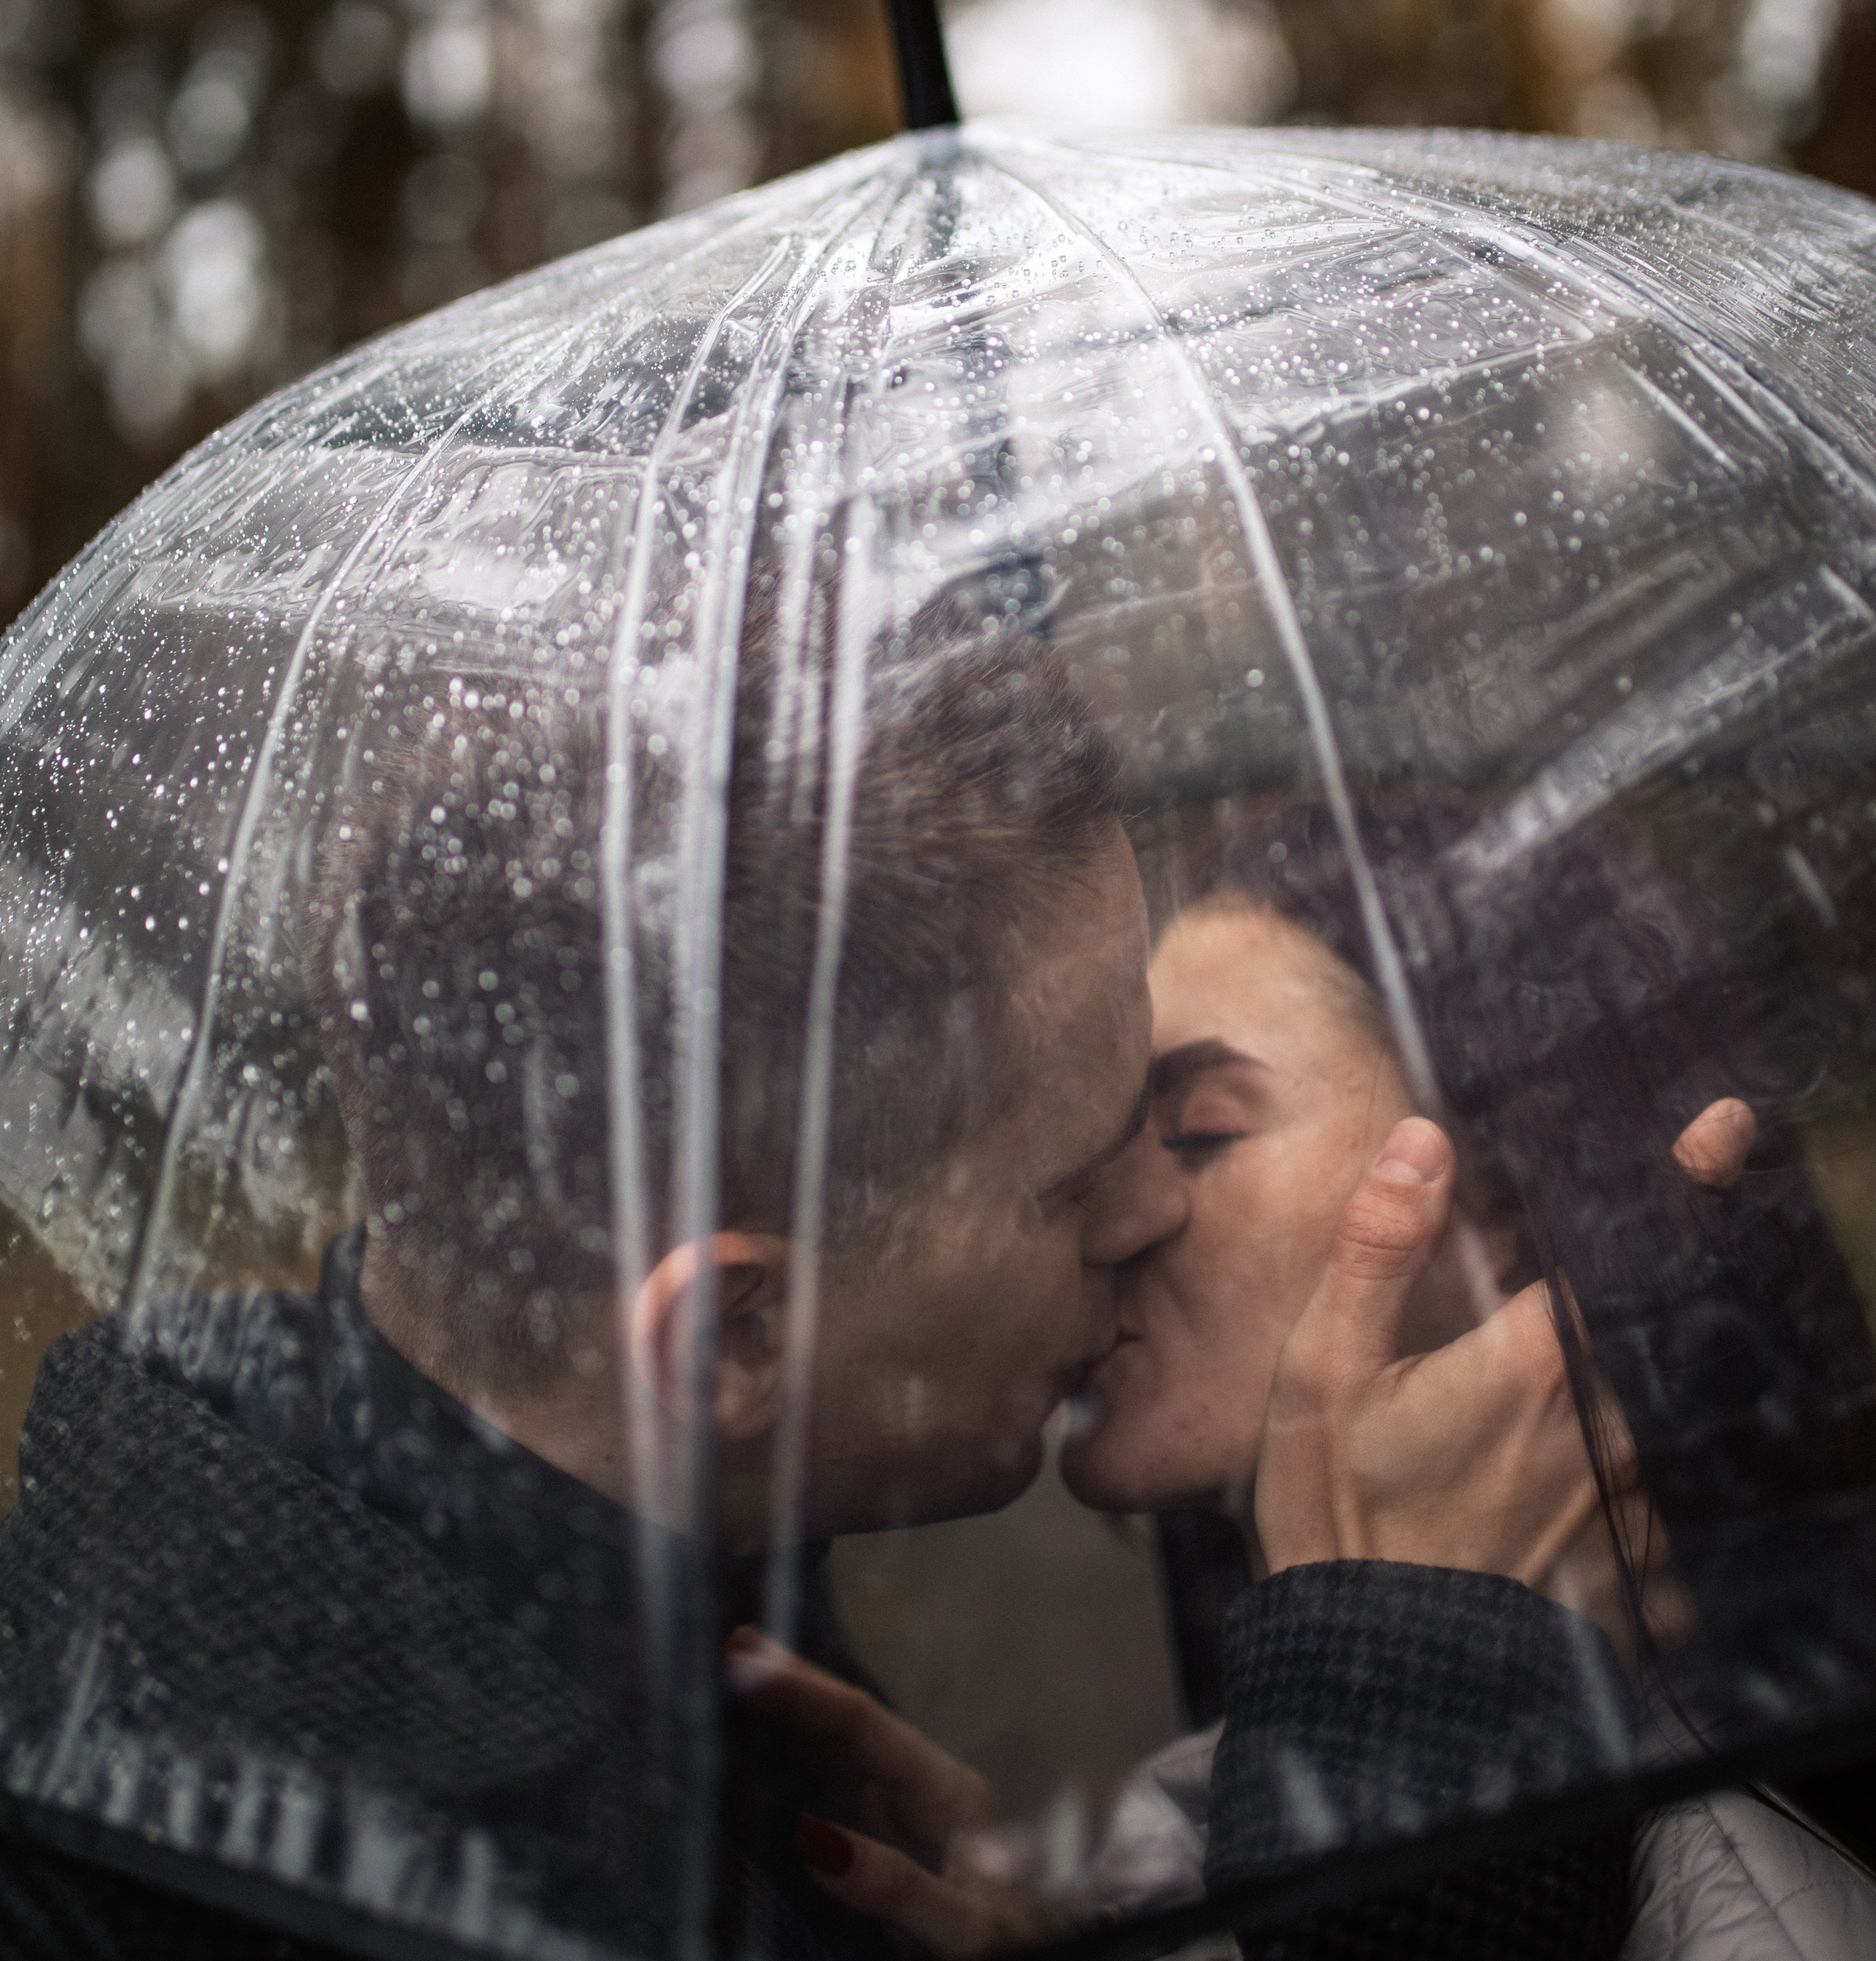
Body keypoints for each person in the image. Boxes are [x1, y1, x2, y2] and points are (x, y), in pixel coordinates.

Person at [0, 615, 1672, 1961]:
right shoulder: (329, 1886)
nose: (1153, 1207)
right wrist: (1415, 1822)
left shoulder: (620, 1625)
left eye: (1190, 1128)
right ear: (732, 1338)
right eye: (1082, 1174)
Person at [736, 806, 1876, 1960]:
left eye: (1197, 1130)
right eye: (1091, 1152)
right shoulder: (1219, 1804)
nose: (1124, 1217)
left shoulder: (1745, 1869)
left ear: (1519, 1208)